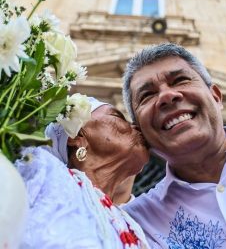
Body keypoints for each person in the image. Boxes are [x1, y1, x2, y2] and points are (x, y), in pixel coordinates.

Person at [122, 42, 226, 249]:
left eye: (180, 80)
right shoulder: (136, 223)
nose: (167, 95)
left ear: (216, 96)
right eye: (147, 95)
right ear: (138, 129)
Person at [15, 97, 150, 249]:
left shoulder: (131, 225)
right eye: (118, 116)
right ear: (77, 137)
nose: (136, 126)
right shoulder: (43, 170)